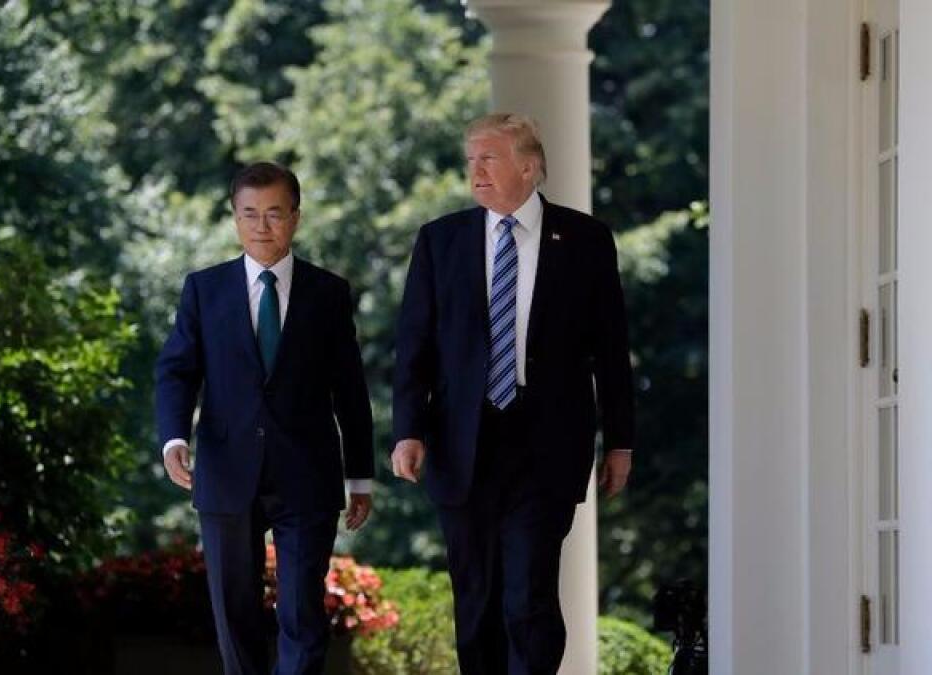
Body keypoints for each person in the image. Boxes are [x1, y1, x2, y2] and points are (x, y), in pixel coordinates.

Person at [391, 113, 635, 674]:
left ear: (529, 167)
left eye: (489, 158)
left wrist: (621, 441)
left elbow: (611, 350)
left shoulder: (585, 241)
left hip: (545, 444)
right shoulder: (440, 241)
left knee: (528, 598)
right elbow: (414, 347)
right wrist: (407, 429)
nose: (475, 170)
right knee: (476, 603)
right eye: (471, 159)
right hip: (461, 443)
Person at [155, 161, 374, 675]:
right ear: (234, 218)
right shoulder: (203, 290)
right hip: (227, 472)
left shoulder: (328, 293)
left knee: (301, 610)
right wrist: (172, 439)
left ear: (295, 218)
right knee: (235, 615)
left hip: (306, 474)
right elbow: (176, 371)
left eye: (274, 214)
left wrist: (359, 476)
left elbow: (350, 389)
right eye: (249, 214)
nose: (261, 226)